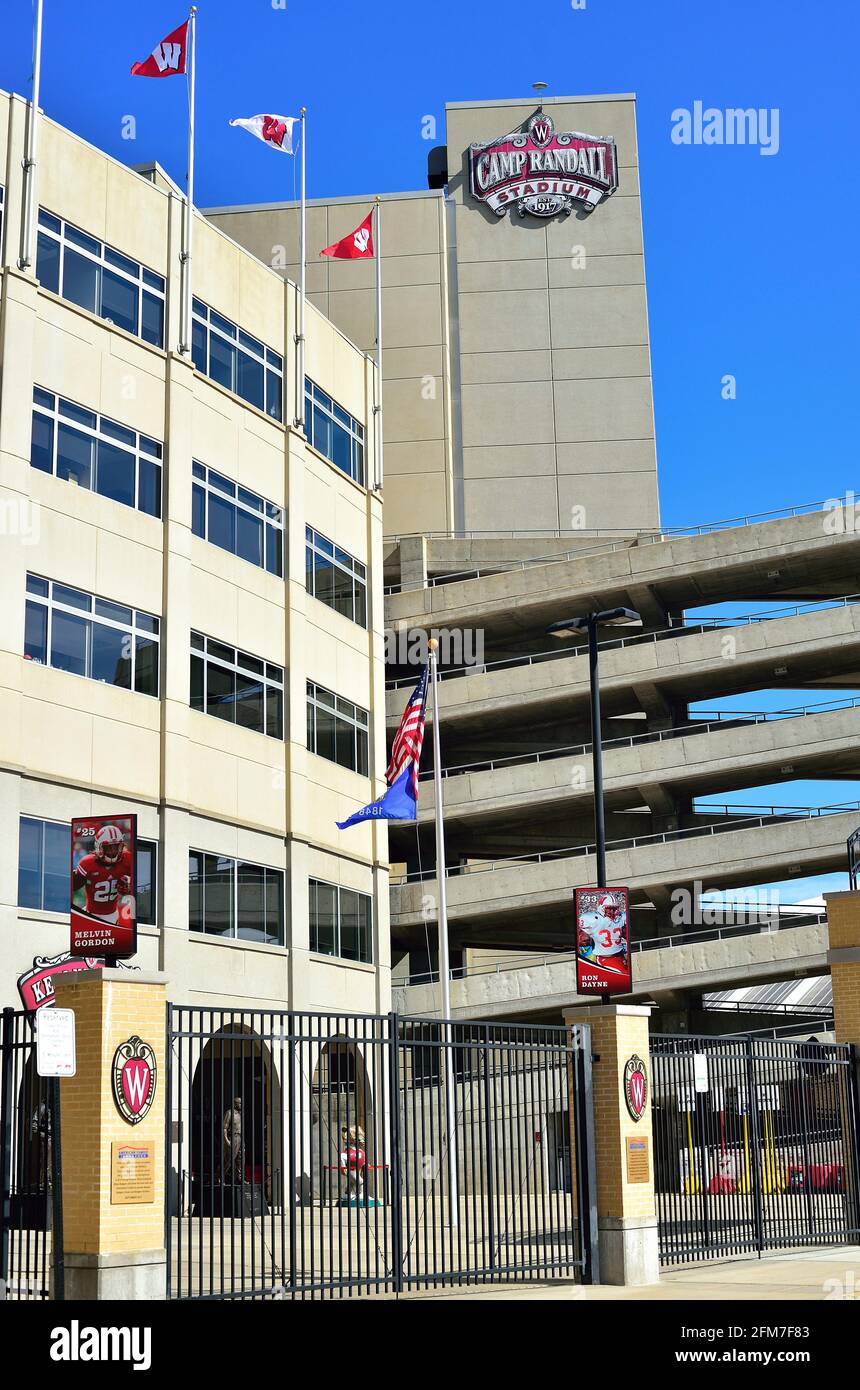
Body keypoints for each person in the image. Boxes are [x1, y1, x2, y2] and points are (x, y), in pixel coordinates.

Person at [73, 824, 134, 929]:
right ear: (99, 847)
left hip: (111, 915)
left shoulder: (128, 859)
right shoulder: (87, 863)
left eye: (116, 847)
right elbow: (73, 887)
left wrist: (130, 885)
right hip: (89, 913)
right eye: (108, 848)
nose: (113, 851)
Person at [578, 892, 628, 974]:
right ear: (601, 908)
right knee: (623, 975)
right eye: (609, 909)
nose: (612, 911)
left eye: (614, 909)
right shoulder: (593, 919)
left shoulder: (621, 918)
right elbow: (582, 939)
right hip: (605, 958)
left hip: (620, 954)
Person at [222, 1097, 243, 1184]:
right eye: (239, 1103)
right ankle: (220, 1176)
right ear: (235, 1103)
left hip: (240, 1137)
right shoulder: (229, 1113)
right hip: (233, 1137)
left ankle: (239, 1178)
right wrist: (226, 1140)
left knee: (240, 1158)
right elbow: (224, 1128)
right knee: (229, 1159)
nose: (241, 1105)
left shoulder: (239, 1114)